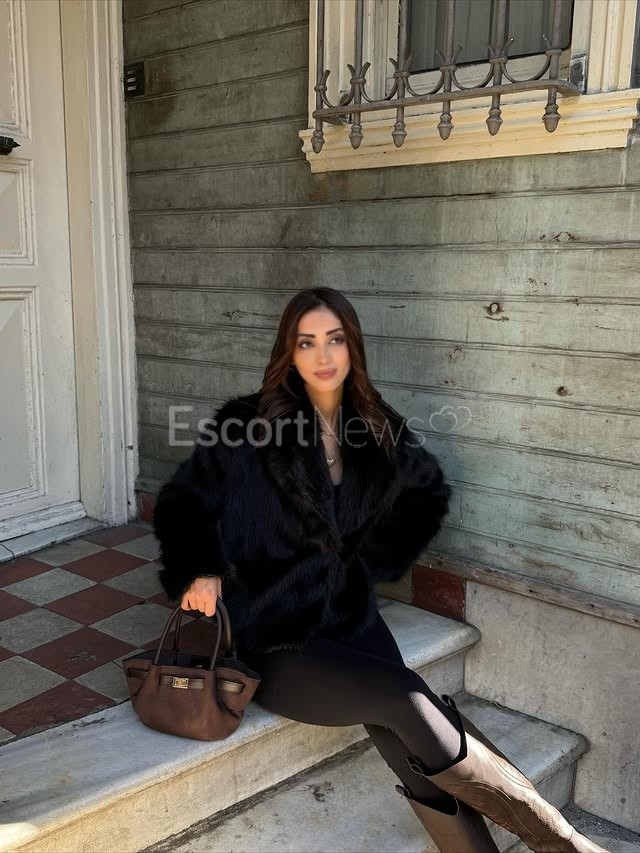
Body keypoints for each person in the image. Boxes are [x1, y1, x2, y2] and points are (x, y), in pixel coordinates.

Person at [153, 287, 607, 853]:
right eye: (307, 342)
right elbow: (183, 504)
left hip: (348, 615)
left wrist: (370, 558)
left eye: (335, 339)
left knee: (408, 722)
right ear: (289, 352)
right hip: (273, 631)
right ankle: (565, 844)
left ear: (353, 346)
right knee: (406, 699)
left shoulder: (374, 423)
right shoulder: (247, 423)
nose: (323, 355)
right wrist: (201, 567)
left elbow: (427, 492)